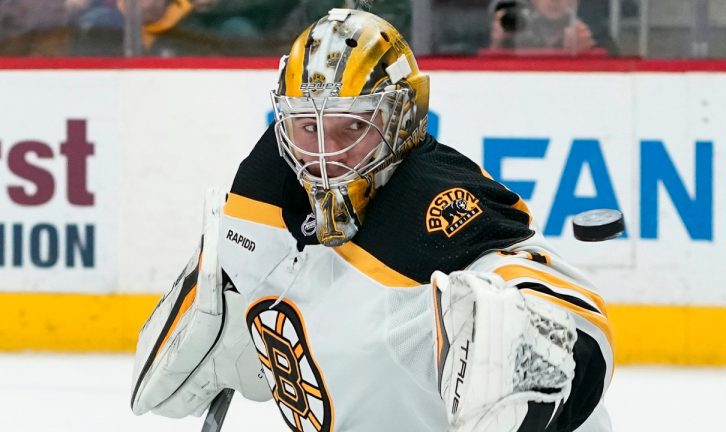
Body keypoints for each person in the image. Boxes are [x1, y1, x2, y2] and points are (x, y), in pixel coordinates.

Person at [130, 8, 614, 432]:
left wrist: (529, 322)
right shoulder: (267, 184)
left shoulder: (435, 201)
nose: (324, 154)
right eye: (307, 125)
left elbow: (554, 306)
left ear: (402, 118)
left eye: (354, 126)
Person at [489, 0, 618, 55]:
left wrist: (588, 53)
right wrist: (497, 45)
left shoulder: (595, 37)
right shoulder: (512, 34)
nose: (554, 0)